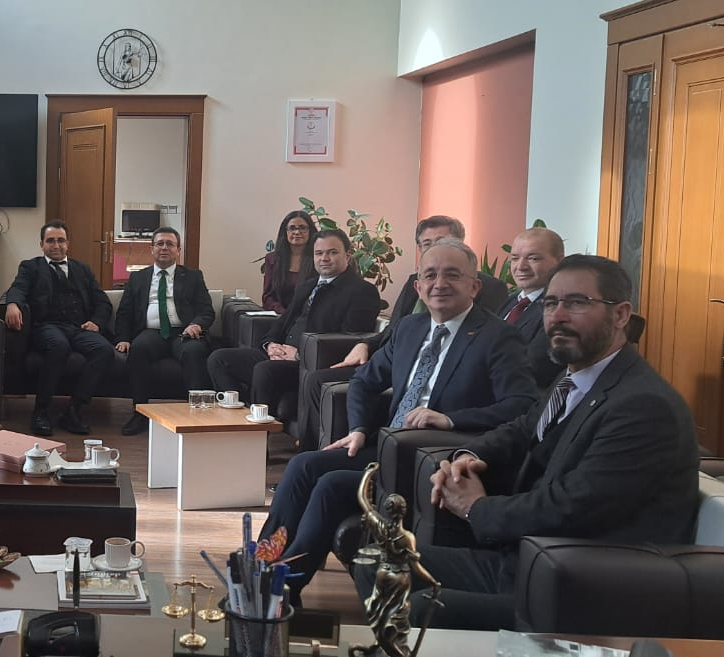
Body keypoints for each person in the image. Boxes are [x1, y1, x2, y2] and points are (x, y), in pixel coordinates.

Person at [406, 254, 699, 629]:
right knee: (383, 562)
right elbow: (521, 429)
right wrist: (465, 455)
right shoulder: (575, 379)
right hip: (530, 563)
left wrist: (476, 508)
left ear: (621, 315)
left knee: (419, 608)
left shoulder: (644, 406)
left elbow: (570, 507)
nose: (557, 316)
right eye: (550, 303)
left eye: (576, 302)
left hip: (581, 590)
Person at [260, 238, 536, 592]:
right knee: (303, 465)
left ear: (474, 286)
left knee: (331, 485)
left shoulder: (498, 337)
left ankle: (282, 587)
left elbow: (522, 405)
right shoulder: (410, 328)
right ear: (418, 287)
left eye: (453, 275)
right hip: (387, 445)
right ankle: (263, 562)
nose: (439, 284)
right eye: (430, 275)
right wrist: (359, 428)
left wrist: (451, 419)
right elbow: (364, 381)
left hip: (432, 457)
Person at [295, 216, 509, 439]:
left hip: (440, 425)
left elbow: (475, 340)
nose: (439, 283)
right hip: (397, 363)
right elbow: (395, 328)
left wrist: (450, 419)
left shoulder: (490, 306)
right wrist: (365, 344)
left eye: (442, 241)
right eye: (427, 244)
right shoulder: (413, 293)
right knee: (317, 391)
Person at [209, 229, 378, 429]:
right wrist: (270, 345)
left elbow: (350, 341)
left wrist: (299, 355)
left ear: (347, 256)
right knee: (219, 359)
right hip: (281, 355)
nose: (324, 258)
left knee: (265, 370)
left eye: (332, 252)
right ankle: (238, 421)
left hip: (311, 364)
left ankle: (258, 435)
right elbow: (283, 322)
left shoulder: (362, 291)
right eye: (319, 253)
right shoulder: (308, 286)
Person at [3, 220, 115, 437]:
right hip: (46, 326)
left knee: (104, 350)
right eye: (51, 241)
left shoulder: (82, 269)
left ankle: (74, 410)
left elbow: (102, 301)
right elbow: (17, 288)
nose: (56, 245)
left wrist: (97, 322)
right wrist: (12, 304)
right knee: (59, 346)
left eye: (61, 240)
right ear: (41, 244)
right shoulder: (31, 267)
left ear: (68, 244)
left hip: (79, 327)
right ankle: (41, 412)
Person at [117, 226, 216, 436]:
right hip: (151, 333)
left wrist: (197, 324)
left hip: (184, 332)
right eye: (159, 244)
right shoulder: (138, 278)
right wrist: (124, 338)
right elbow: (124, 312)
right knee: (138, 349)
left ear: (178, 250)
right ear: (152, 249)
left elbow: (207, 310)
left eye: (170, 244)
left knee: (193, 351)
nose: (164, 248)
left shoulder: (193, 276)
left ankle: (197, 414)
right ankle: (140, 413)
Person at [498, 227, 565, 389]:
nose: (520, 266)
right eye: (515, 258)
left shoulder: (558, 308)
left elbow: (534, 365)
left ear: (559, 261)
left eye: (533, 258)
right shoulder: (510, 302)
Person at [261, 210, 318, 313]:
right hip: (279, 317)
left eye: (302, 228)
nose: (297, 232)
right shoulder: (272, 259)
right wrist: (285, 314)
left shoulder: (318, 258)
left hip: (309, 317)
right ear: (285, 232)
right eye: (292, 228)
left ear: (310, 231)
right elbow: (268, 297)